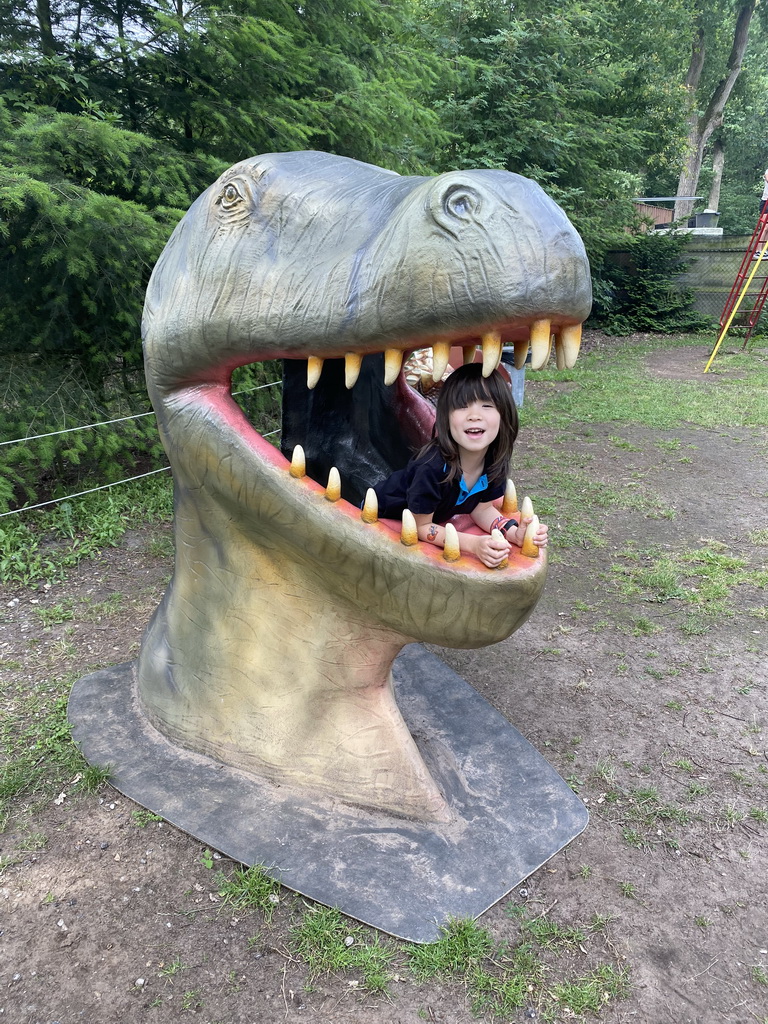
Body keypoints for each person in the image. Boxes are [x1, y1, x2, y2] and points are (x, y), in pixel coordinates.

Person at [372, 362, 549, 568]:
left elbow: (481, 510)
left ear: (504, 415)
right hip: (387, 515)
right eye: (462, 406)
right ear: (446, 418)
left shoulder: (493, 460)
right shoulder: (431, 468)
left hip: (431, 518)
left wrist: (513, 533)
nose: (474, 415)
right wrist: (473, 545)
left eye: (487, 405)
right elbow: (422, 527)